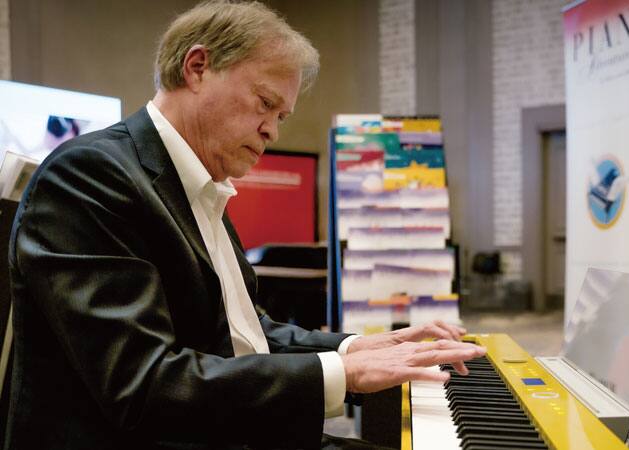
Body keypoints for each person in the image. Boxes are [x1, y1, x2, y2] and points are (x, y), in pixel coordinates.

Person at [2, 1, 485, 449]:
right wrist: (344, 372)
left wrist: (358, 347)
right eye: (264, 103)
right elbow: (141, 386)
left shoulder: (196, 183)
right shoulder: (90, 175)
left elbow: (243, 334)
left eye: (281, 116)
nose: (272, 130)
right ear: (197, 68)